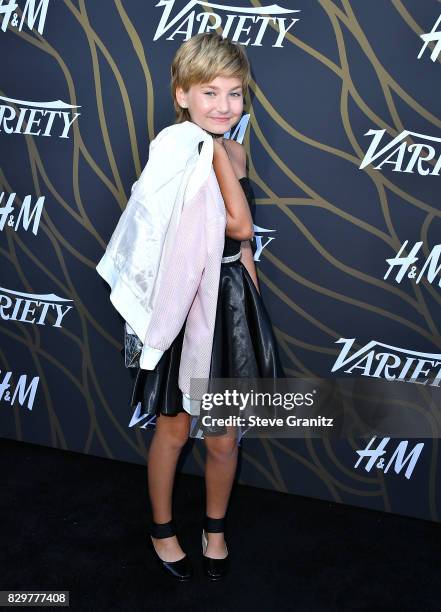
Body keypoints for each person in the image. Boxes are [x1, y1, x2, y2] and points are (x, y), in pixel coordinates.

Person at [132, 32, 285, 581]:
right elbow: (234, 221)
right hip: (184, 302)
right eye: (209, 93)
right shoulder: (179, 148)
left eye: (235, 94)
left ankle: (214, 530)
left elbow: (239, 239)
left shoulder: (233, 150)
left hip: (229, 303)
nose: (223, 106)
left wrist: (249, 274)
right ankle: (162, 529)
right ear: (182, 95)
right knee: (173, 430)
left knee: (224, 436)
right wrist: (216, 152)